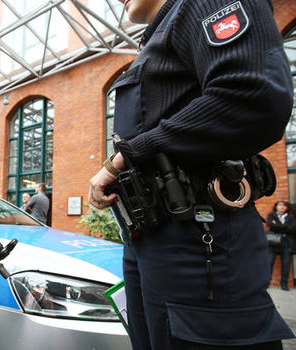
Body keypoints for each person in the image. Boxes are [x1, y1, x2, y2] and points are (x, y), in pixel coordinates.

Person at [89, 0, 294, 348]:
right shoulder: (160, 33)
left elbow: (251, 95)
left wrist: (123, 159)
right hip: (152, 237)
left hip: (198, 241)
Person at [267, 200, 295, 291]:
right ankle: (267, 282)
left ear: (287, 207)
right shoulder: (272, 215)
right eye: (280, 205)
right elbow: (270, 225)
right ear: (276, 207)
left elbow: (293, 228)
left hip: (286, 242)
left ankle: (284, 284)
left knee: (286, 263)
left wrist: (277, 225)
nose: (282, 207)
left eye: (284, 205)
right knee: (269, 262)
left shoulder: (291, 217)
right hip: (274, 242)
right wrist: (285, 226)